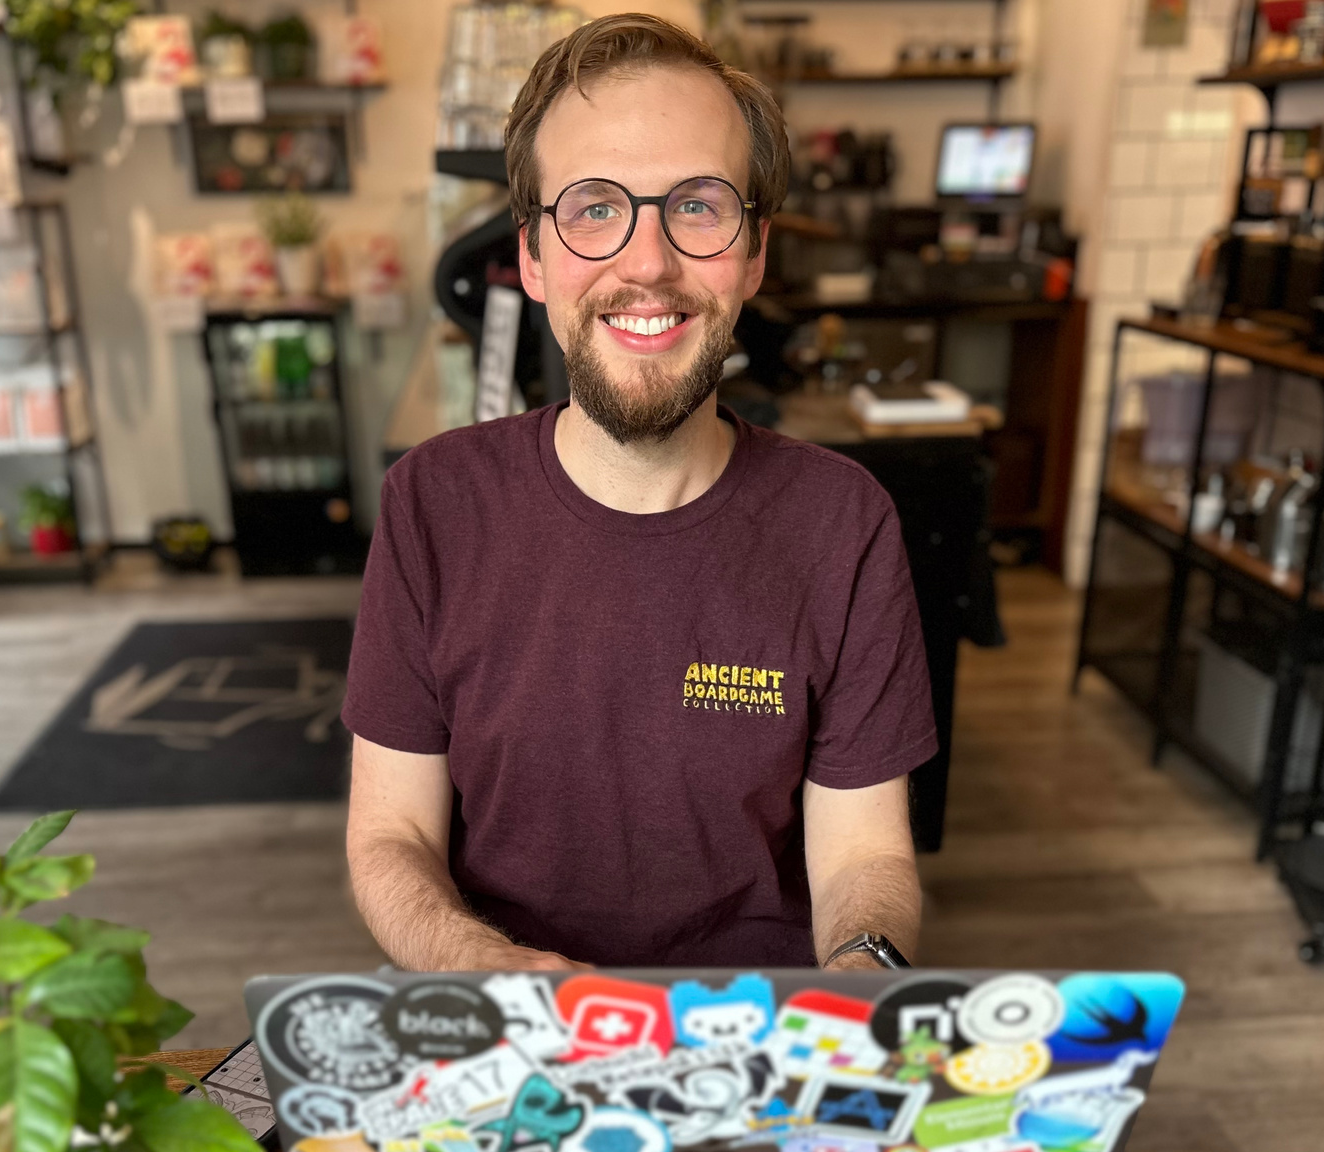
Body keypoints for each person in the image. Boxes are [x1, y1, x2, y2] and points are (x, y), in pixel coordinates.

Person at [342, 13, 935, 971]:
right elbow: (389, 839)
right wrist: (500, 975)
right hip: (509, 1037)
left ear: (754, 255)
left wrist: (863, 977)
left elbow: (865, 851)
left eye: (698, 206)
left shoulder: (842, 519)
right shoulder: (433, 504)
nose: (648, 262)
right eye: (594, 207)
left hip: (757, 1036)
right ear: (533, 256)